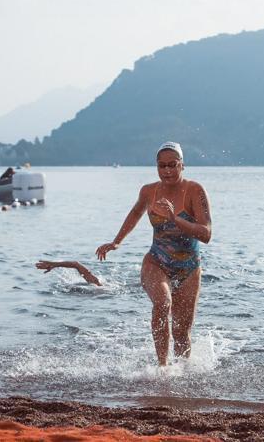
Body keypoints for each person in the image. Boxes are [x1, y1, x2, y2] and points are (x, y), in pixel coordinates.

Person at [96, 141, 212, 366]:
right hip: (156, 261)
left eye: (172, 165)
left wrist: (174, 219)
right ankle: (162, 369)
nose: (167, 170)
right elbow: (136, 212)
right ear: (156, 167)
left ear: (182, 165)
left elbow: (206, 234)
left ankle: (183, 377)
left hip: (189, 267)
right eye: (162, 166)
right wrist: (116, 242)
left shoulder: (194, 190)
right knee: (162, 303)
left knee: (181, 332)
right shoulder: (149, 191)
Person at [36, 260, 102, 286]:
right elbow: (76, 264)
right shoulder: (98, 285)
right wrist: (55, 264)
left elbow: (76, 264)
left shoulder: (97, 285)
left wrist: (55, 264)